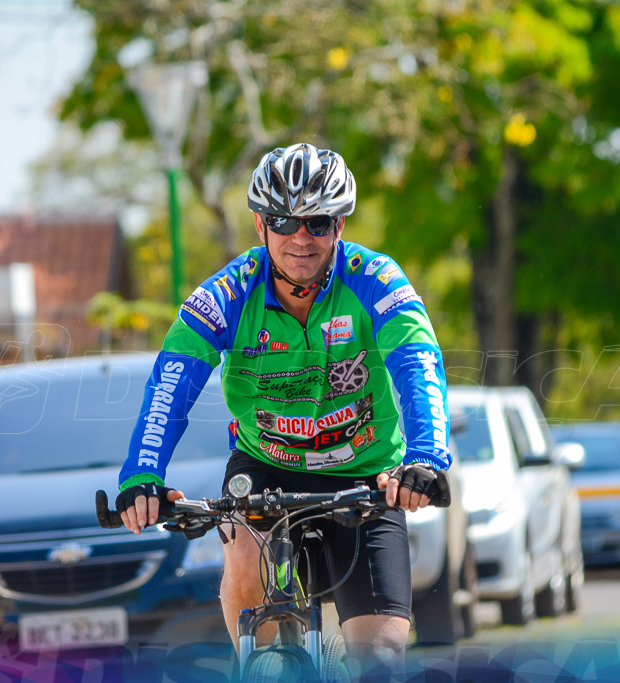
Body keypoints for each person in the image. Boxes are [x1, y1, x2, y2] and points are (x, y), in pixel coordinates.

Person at [115, 143, 453, 677]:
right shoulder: (227, 293)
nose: (301, 236)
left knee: (382, 657)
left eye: (318, 222)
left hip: (367, 473)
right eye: (284, 221)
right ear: (259, 224)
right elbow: (170, 386)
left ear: (339, 225)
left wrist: (427, 457)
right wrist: (142, 474)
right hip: (265, 468)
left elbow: (418, 364)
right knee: (247, 568)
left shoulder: (377, 280)